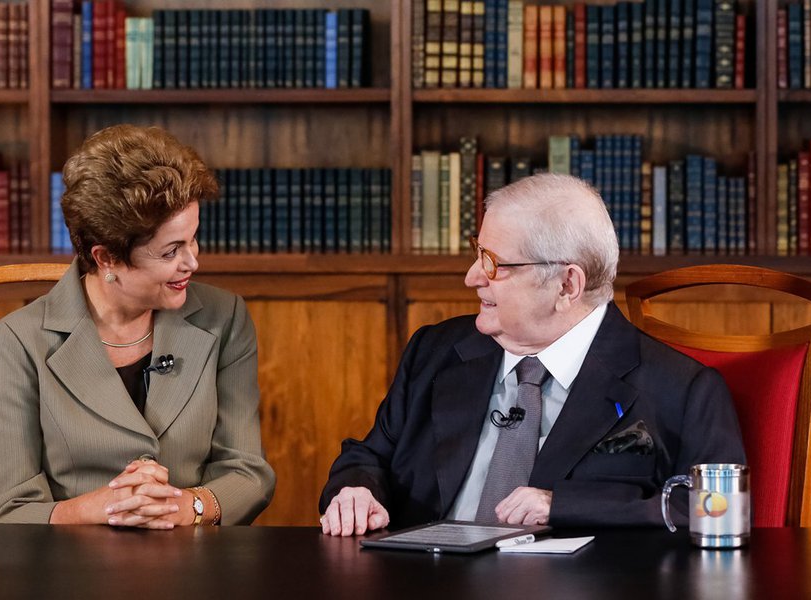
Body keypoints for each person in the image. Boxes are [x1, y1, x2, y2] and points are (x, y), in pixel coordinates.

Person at [319, 173, 746, 536]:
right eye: (477, 253)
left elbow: (714, 510)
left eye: (494, 263)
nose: (472, 277)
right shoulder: (435, 352)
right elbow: (369, 456)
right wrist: (356, 490)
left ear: (566, 285)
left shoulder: (682, 390)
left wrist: (563, 505)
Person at [0, 125, 275, 527]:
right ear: (107, 259)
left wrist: (189, 506)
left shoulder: (225, 318)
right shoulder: (19, 340)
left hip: (194, 554)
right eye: (170, 251)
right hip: (72, 559)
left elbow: (248, 473)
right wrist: (103, 508)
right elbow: (7, 506)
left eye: (193, 239)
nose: (192, 262)